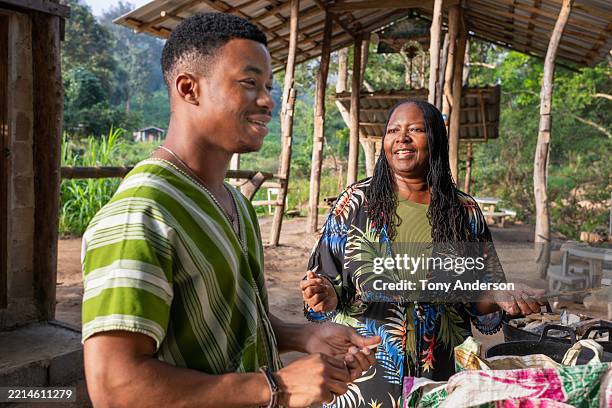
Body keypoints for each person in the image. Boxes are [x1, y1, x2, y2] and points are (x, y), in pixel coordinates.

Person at [81, 12, 380, 408]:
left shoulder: (235, 202)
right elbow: (115, 387)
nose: (268, 100)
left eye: (269, 86)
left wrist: (303, 337)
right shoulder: (141, 213)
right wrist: (278, 387)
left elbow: (234, 319)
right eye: (249, 83)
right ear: (189, 89)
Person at [301, 100, 545, 407]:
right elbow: (326, 283)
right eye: (393, 130)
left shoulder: (464, 212)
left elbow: (476, 298)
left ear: (436, 140)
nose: (402, 138)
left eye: (415, 130)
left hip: (440, 376)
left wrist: (500, 294)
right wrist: (325, 294)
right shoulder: (354, 203)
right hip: (363, 375)